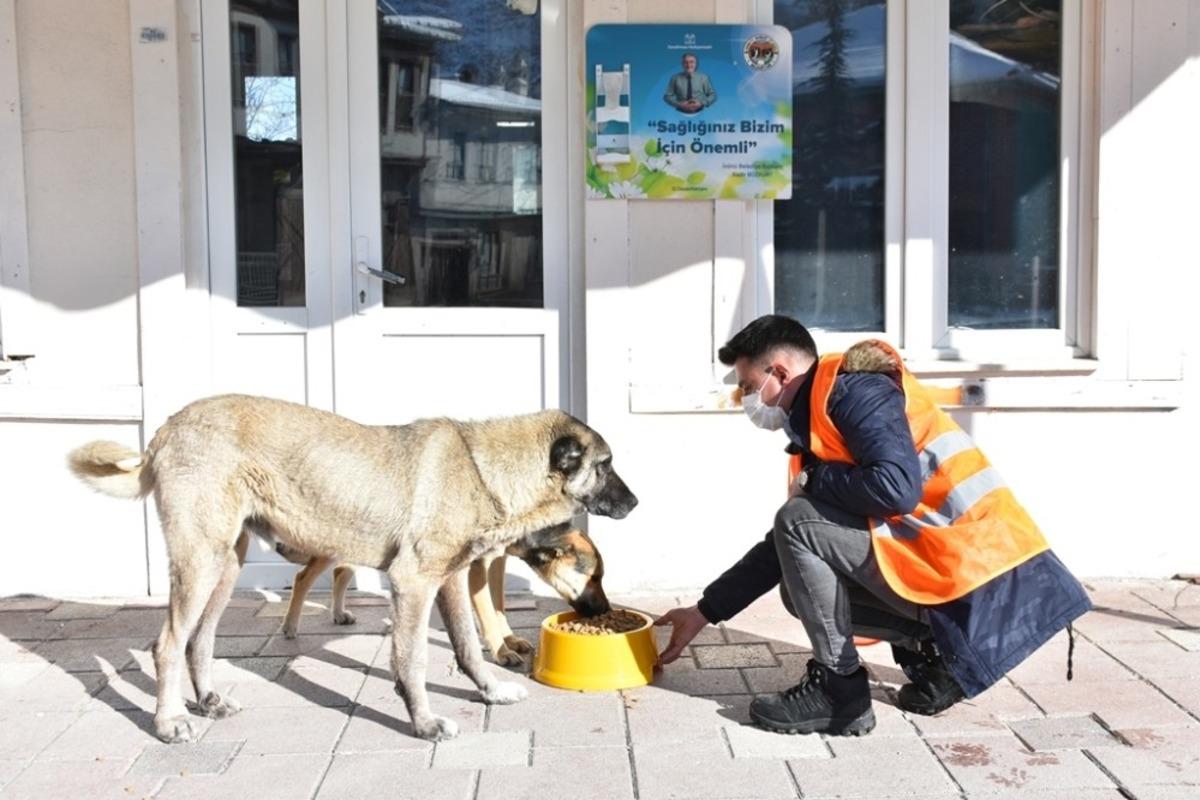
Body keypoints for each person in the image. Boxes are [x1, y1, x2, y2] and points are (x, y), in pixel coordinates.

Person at [655, 315, 1091, 736]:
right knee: (796, 579)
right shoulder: (818, 418)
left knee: (797, 521)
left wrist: (813, 479)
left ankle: (839, 690)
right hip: (954, 566)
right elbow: (785, 545)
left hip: (986, 575)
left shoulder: (855, 392)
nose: (747, 400)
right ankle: (936, 646)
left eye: (748, 387)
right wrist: (705, 611)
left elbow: (897, 490)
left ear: (781, 372)